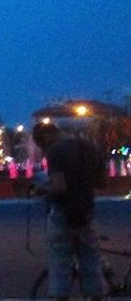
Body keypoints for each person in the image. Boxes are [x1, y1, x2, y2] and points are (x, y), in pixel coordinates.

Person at [32, 122, 107, 300]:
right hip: (87, 213)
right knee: (91, 263)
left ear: (46, 137)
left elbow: (59, 187)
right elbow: (102, 183)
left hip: (62, 215)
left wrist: (41, 189)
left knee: (60, 264)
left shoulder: (56, 151)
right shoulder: (90, 147)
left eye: (42, 145)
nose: (44, 149)